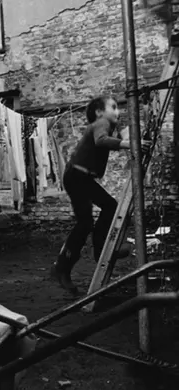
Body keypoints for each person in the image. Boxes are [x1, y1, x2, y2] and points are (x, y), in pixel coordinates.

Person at [51, 96, 152, 294]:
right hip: (76, 176)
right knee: (86, 222)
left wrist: (135, 140)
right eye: (113, 107)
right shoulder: (101, 123)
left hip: (81, 177)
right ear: (99, 112)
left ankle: (100, 250)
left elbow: (125, 136)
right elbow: (101, 141)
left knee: (108, 208)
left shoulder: (108, 125)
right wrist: (130, 144)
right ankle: (62, 267)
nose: (117, 111)